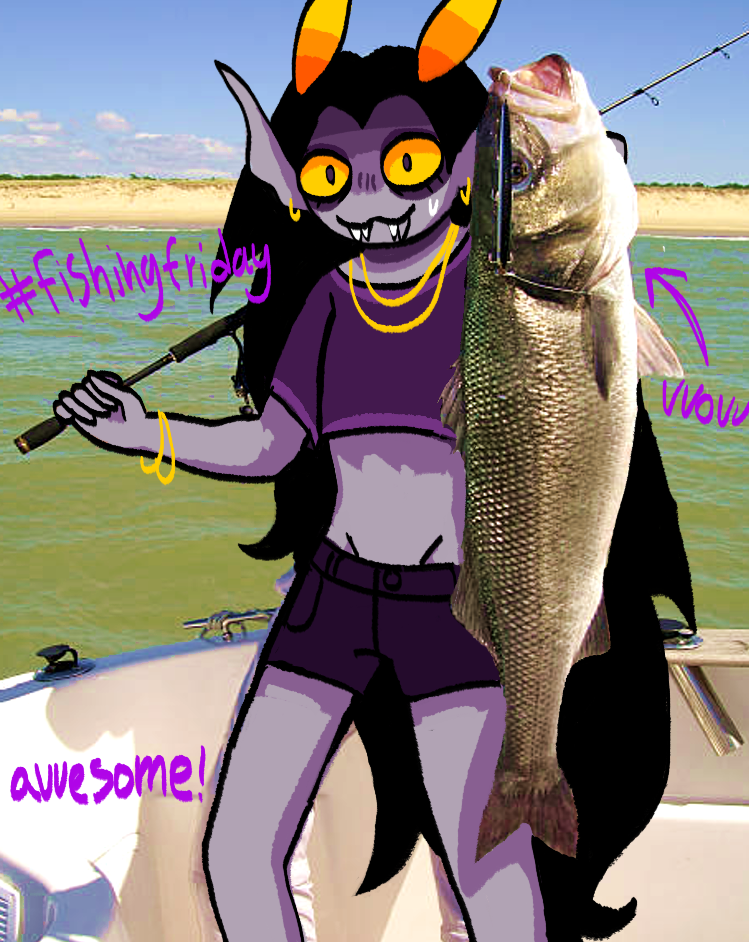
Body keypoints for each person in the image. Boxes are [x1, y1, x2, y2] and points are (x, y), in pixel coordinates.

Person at [52, 1, 546, 940]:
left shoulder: (500, 287)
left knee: (485, 864)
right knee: (235, 849)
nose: (369, 198)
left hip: (456, 607)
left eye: (406, 162)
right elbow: (273, 446)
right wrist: (141, 432)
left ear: (463, 163)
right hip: (329, 595)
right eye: (331, 174)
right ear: (300, 185)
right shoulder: (324, 298)